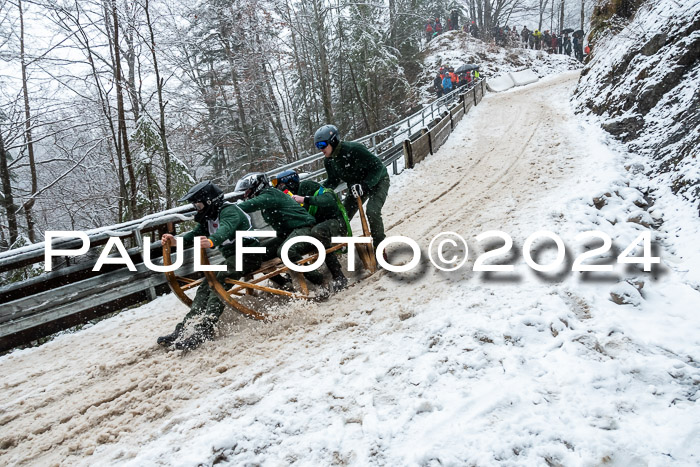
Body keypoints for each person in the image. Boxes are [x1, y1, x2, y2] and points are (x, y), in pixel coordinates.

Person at [157, 181, 263, 351]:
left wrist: (213, 240)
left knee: (219, 280)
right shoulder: (209, 217)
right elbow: (194, 234)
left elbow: (226, 229)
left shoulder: (229, 211)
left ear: (209, 201)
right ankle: (186, 326)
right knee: (206, 284)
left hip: (249, 254)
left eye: (198, 204)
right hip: (232, 258)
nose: (197, 208)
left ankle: (206, 327)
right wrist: (175, 241)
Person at [235, 172, 325, 287]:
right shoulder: (266, 196)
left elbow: (249, 205)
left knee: (286, 251)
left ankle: (320, 282)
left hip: (305, 229)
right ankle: (285, 285)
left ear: (256, 187)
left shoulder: (270, 194)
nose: (244, 195)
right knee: (255, 254)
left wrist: (227, 210)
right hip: (287, 235)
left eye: (246, 191)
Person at [273, 169, 350, 291]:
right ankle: (310, 280)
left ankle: (338, 275)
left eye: (282, 186)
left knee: (318, 232)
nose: (281, 190)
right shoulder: (290, 198)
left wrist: (305, 199)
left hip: (335, 222)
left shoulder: (307, 186)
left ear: (290, 183)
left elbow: (329, 198)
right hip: (317, 227)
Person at [315, 124, 390, 250]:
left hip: (378, 181)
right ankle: (341, 246)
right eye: (317, 146)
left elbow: (378, 167)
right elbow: (333, 181)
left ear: (333, 141)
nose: (320, 149)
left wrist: (366, 185)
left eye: (322, 145)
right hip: (355, 188)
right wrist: (318, 191)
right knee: (343, 216)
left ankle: (379, 248)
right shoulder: (329, 160)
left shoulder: (354, 149)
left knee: (372, 211)